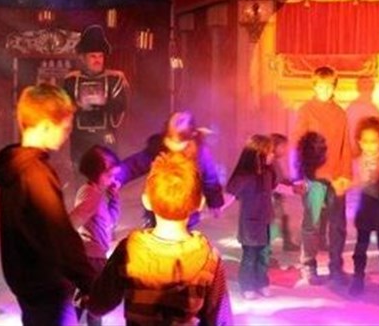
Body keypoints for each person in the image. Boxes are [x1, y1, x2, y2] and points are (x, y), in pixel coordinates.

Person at [86, 152, 233, 325]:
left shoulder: (130, 249)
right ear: (199, 203)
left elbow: (98, 305)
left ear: (146, 201)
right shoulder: (210, 259)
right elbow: (222, 321)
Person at [0, 83, 95, 325]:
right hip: (47, 287)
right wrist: (89, 282)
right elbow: (59, 234)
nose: (68, 135)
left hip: (28, 285)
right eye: (65, 128)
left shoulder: (14, 166)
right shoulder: (35, 173)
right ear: (47, 125)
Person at [291, 66, 353, 286]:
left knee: (338, 225)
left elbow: (346, 146)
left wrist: (346, 175)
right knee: (312, 223)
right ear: (314, 86)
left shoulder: (340, 113)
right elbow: (297, 144)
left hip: (336, 177)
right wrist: (297, 175)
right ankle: (308, 265)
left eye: (329, 86)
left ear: (334, 87)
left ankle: (336, 267)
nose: (325, 90)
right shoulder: (306, 110)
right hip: (313, 176)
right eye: (321, 86)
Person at [117, 111, 224, 228]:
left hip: (186, 209)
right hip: (159, 207)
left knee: (182, 232)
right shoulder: (158, 148)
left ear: (191, 135)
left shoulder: (200, 153)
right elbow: (135, 164)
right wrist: (117, 176)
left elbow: (210, 178)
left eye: (182, 120)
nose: (180, 118)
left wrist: (215, 202)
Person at [69, 145, 122, 326]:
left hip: (94, 256)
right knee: (93, 304)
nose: (113, 180)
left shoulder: (96, 194)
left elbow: (110, 222)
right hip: (92, 259)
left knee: (87, 302)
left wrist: (114, 199)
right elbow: (74, 220)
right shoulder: (91, 194)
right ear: (96, 173)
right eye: (110, 175)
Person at [63, 24, 129, 167]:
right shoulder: (71, 80)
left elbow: (120, 106)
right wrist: (78, 107)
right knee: (80, 175)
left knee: (107, 173)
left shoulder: (114, 79)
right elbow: (64, 107)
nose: (97, 60)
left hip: (106, 139)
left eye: (100, 56)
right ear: (83, 58)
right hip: (80, 140)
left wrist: (99, 106)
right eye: (93, 56)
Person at [348, 116, 379, 298]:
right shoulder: (358, 161)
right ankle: (358, 278)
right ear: (360, 142)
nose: (369, 146)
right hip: (366, 207)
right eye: (365, 141)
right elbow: (356, 181)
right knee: (361, 245)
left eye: (374, 141)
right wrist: (347, 184)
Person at [226, 134, 278, 299]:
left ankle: (261, 283)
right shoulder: (245, 176)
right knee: (250, 256)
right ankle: (247, 285)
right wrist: (217, 208)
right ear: (258, 154)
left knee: (264, 256)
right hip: (250, 224)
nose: (273, 155)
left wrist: (294, 190)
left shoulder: (268, 173)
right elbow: (230, 195)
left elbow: (275, 187)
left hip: (265, 221)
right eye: (269, 151)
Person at [269, 133, 301, 253]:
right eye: (283, 147)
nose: (285, 150)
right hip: (271, 198)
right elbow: (274, 182)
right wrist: (292, 187)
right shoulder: (269, 161)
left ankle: (287, 243)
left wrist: (292, 183)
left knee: (282, 219)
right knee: (272, 222)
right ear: (274, 146)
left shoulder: (274, 161)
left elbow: (280, 179)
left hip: (276, 197)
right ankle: (265, 249)